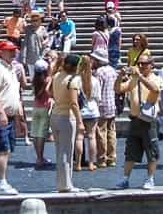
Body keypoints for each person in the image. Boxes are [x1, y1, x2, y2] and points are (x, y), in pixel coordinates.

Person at [115, 54, 162, 190]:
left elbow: (155, 89)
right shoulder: (133, 80)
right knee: (130, 152)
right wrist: (120, 76)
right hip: (135, 119)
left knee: (151, 152)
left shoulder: (156, 78)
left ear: (151, 65)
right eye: (139, 64)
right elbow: (118, 89)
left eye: (144, 64)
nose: (140, 66)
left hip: (148, 121)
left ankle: (150, 179)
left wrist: (140, 77)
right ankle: (125, 179)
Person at [0, 40, 22, 195]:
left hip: (10, 115)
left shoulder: (12, 68)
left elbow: (15, 93)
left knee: (7, 150)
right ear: (0, 52)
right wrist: (1, 112)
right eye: (9, 50)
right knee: (3, 150)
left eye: (14, 50)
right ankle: (1, 182)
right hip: (0, 115)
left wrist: (18, 118)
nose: (13, 52)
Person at [50, 53, 83, 193]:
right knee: (66, 152)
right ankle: (66, 185)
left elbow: (50, 92)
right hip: (66, 117)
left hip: (55, 115)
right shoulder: (73, 80)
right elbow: (74, 103)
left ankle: (61, 183)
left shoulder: (57, 76)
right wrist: (80, 121)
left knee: (59, 151)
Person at [91, 48, 118, 168]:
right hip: (112, 104)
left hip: (102, 105)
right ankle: (111, 157)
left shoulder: (99, 72)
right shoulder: (113, 70)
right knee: (111, 132)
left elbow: (96, 90)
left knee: (101, 132)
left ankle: (102, 158)